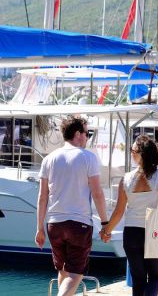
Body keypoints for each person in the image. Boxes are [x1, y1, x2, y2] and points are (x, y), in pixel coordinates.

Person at [35, 116, 108, 296]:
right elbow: (97, 193)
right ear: (77, 134)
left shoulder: (49, 159)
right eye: (87, 133)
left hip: (54, 224)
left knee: (64, 270)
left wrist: (39, 229)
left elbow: (42, 197)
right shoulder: (88, 157)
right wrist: (105, 223)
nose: (87, 137)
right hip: (79, 223)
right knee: (76, 273)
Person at [100, 135, 158, 296]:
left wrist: (107, 231)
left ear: (141, 154)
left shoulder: (126, 179)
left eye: (133, 150)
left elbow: (119, 211)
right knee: (156, 277)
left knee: (138, 280)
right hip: (154, 231)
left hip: (132, 233)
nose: (131, 153)